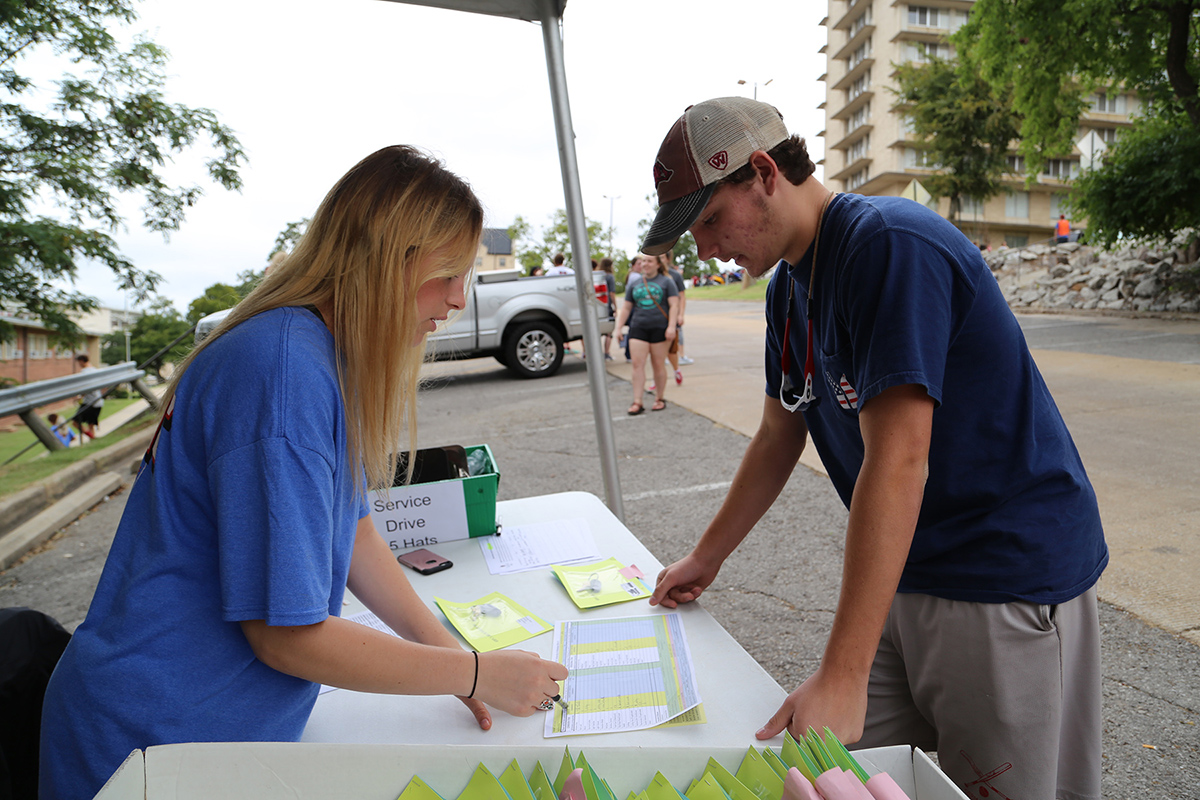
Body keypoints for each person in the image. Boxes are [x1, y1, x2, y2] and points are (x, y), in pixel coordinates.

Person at [39, 146, 568, 800]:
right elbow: (287, 637)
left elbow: (358, 536)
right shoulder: (282, 374)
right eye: (448, 274)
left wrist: (460, 664)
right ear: (385, 260)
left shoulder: (312, 355)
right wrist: (470, 673)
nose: (459, 300)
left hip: (201, 733)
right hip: (152, 748)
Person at [642, 97, 1106, 800]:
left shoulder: (887, 244)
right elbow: (778, 433)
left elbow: (900, 459)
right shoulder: (789, 288)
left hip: (1001, 578)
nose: (704, 248)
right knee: (822, 770)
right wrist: (707, 557)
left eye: (709, 220)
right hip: (908, 577)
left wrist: (845, 671)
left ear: (764, 172)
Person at [613, 254, 677, 414]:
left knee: (658, 364)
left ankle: (659, 398)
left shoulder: (667, 281)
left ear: (657, 264)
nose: (645, 264)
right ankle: (637, 401)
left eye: (649, 261)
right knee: (637, 364)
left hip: (660, 328)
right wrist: (619, 327)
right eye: (643, 261)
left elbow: (674, 305)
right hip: (638, 327)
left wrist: (671, 327)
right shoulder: (634, 283)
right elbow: (627, 307)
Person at [660, 253, 691, 382]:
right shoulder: (653, 275)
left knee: (677, 338)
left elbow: (682, 296)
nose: (660, 260)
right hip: (659, 315)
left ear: (667, 259)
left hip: (672, 313)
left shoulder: (675, 275)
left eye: (662, 257)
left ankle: (681, 357)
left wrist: (680, 314)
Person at [72, 354, 103, 440]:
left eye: (79, 362)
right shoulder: (95, 370)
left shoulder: (84, 372)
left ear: (82, 361)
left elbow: (85, 388)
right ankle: (92, 439)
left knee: (75, 422)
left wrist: (79, 397)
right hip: (98, 402)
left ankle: (91, 437)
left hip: (90, 403)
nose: (79, 364)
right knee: (91, 425)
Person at [597, 257, 618, 360]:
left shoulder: (598, 276)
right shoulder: (610, 277)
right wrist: (615, 306)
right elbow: (611, 293)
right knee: (609, 332)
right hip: (607, 306)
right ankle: (606, 352)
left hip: (597, 306)